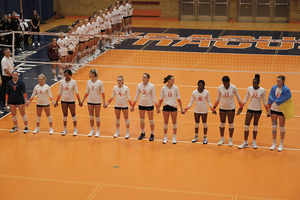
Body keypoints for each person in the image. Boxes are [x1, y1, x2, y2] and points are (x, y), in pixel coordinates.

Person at [237, 74, 267, 149]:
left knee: (255, 125)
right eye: (253, 83)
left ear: (258, 83)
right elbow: (245, 99)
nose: (254, 84)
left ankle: (254, 141)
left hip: (258, 110)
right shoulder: (249, 89)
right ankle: (245, 142)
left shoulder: (262, 90)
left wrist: (268, 111)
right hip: (250, 109)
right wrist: (241, 107)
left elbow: (264, 102)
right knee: (246, 125)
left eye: (255, 83)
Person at [183, 80, 216, 144]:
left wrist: (212, 109)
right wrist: (185, 109)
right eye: (199, 86)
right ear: (197, 85)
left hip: (204, 110)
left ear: (204, 86)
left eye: (202, 86)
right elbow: (191, 102)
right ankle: (196, 136)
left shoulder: (206, 92)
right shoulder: (194, 93)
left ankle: (205, 137)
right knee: (196, 123)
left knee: (204, 123)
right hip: (197, 110)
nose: (200, 87)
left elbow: (209, 101)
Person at [213, 76, 242, 147]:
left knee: (231, 123)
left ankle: (230, 139)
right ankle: (222, 138)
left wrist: (241, 107)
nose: (225, 85)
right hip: (222, 107)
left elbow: (238, 97)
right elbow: (218, 98)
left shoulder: (233, 88)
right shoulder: (220, 88)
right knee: (222, 123)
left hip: (231, 107)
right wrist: (214, 107)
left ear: (229, 82)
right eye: (224, 83)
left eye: (227, 83)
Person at [267, 75, 293, 152]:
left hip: (282, 110)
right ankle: (274, 143)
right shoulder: (274, 88)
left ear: (283, 81)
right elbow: (270, 100)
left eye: (279, 81)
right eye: (277, 81)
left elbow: (288, 101)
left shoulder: (286, 90)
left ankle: (281, 144)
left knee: (281, 127)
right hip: (274, 109)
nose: (277, 82)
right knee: (274, 127)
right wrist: (269, 110)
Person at [131, 73, 160, 141]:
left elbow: (154, 97)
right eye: (143, 77)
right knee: (141, 120)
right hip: (141, 104)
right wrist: (133, 106)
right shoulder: (139, 86)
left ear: (148, 78)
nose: (143, 78)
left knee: (151, 120)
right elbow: (136, 96)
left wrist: (157, 107)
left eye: (144, 77)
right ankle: (142, 133)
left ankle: (152, 134)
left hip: (149, 104)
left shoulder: (151, 86)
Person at [80, 69, 106, 137]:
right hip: (90, 101)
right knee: (91, 116)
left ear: (93, 74)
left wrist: (104, 102)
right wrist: (82, 101)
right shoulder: (88, 82)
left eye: (90, 73)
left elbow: (102, 93)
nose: (89, 75)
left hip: (97, 101)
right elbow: (87, 92)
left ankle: (98, 130)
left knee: (97, 116)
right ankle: (92, 130)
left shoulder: (100, 83)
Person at [158, 75, 184, 144]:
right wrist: (158, 107)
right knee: (165, 122)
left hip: (173, 107)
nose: (173, 81)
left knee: (174, 122)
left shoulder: (175, 88)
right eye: (172, 80)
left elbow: (179, 98)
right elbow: (161, 99)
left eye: (173, 80)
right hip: (166, 106)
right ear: (168, 80)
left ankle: (174, 137)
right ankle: (165, 137)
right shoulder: (163, 88)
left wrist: (181, 108)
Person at [55, 69, 81, 136]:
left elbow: (76, 92)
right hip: (64, 100)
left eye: (67, 75)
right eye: (65, 75)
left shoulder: (73, 82)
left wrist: (79, 101)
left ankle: (75, 129)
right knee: (65, 114)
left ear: (70, 75)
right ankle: (65, 129)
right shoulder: (61, 82)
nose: (66, 76)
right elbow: (60, 92)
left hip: (71, 100)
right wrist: (57, 101)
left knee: (73, 114)